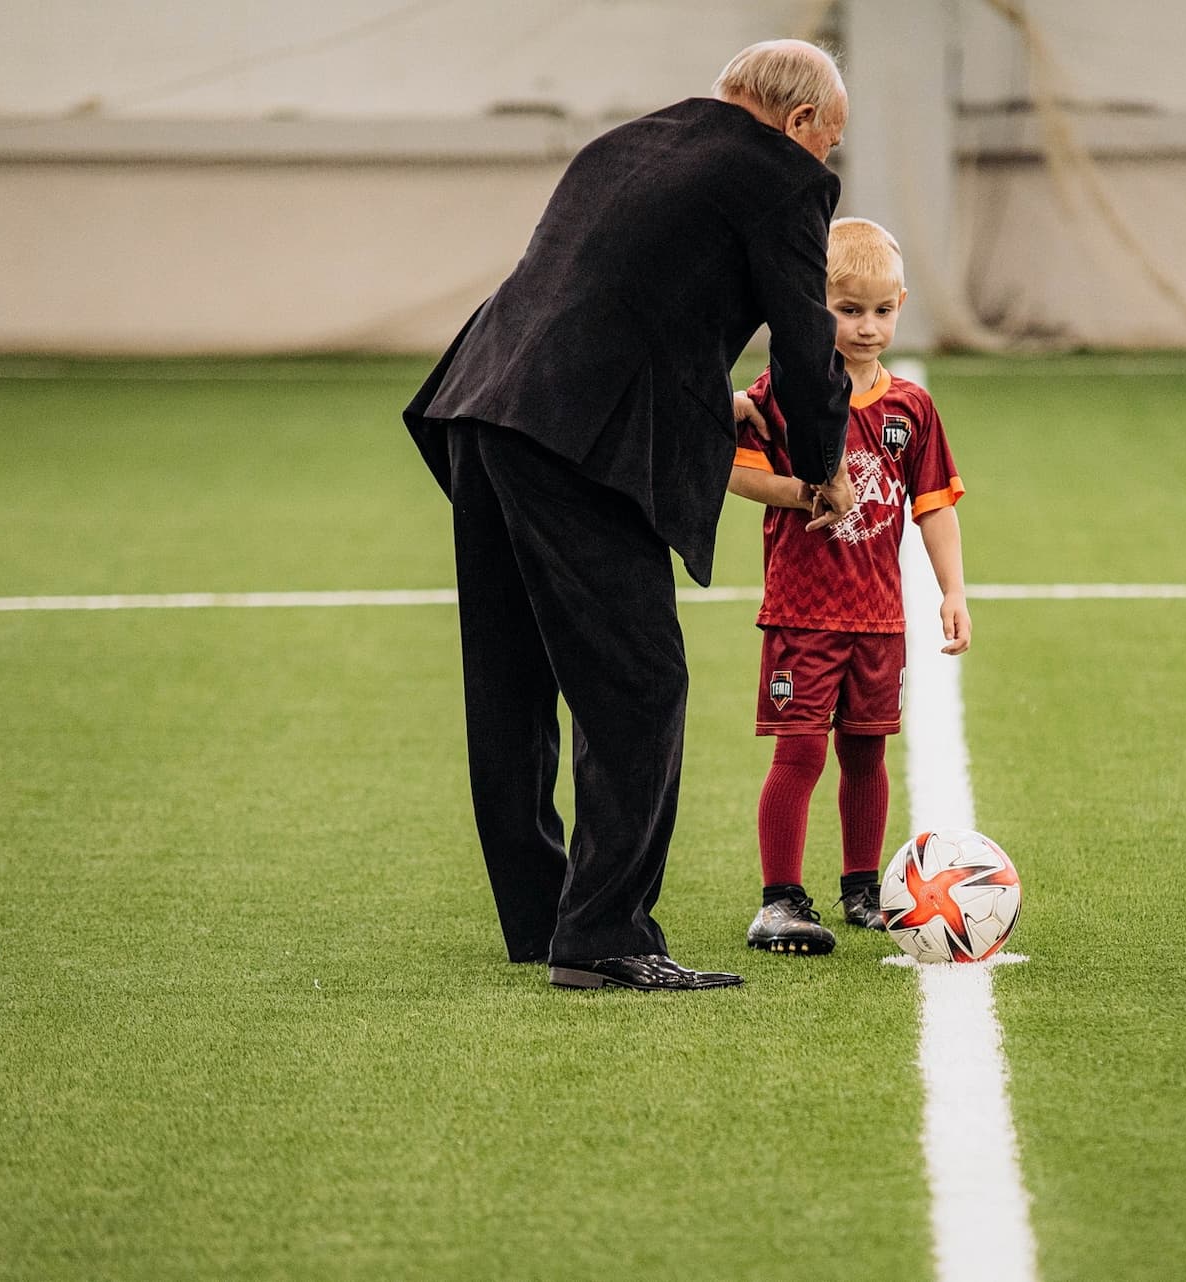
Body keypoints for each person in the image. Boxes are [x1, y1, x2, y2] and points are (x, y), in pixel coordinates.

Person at [401, 41, 858, 992]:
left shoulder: (627, 142)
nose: (827, 158)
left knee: (512, 678)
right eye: (831, 140)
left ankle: (544, 918)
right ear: (801, 121)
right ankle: (605, 936)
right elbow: (807, 343)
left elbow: (608, 290)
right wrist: (824, 469)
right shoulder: (783, 175)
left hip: (481, 402)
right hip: (572, 439)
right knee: (640, 683)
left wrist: (710, 396)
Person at [727, 217, 970, 955]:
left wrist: (952, 591)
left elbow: (934, 507)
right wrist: (805, 493)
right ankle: (779, 900)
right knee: (800, 754)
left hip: (879, 618)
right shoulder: (784, 391)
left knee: (866, 755)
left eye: (882, 310)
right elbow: (736, 471)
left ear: (900, 306)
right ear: (815, 306)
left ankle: (864, 888)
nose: (868, 327)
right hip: (802, 614)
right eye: (848, 309)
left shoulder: (911, 409)